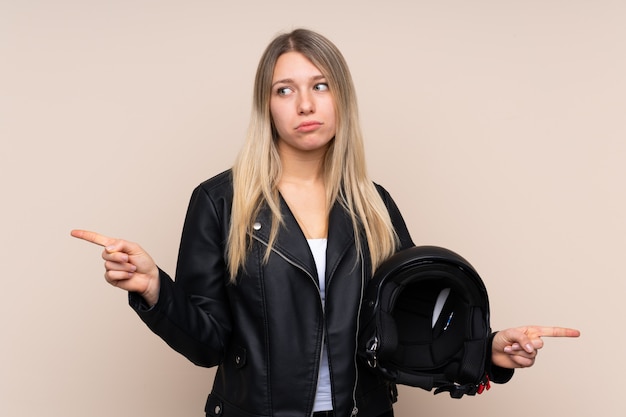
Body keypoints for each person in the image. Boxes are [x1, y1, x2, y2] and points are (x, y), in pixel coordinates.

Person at [71, 28, 580, 417]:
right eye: (285, 90)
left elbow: (408, 331)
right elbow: (208, 345)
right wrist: (156, 287)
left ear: (342, 99)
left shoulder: (373, 206)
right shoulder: (220, 202)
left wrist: (488, 351)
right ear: (266, 107)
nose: (306, 104)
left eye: (320, 85)